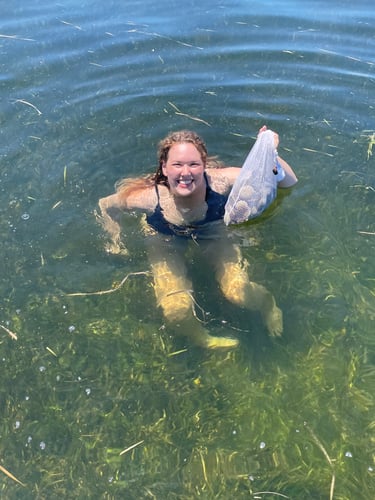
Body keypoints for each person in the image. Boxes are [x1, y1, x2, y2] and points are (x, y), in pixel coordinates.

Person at [98, 126, 298, 349]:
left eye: (193, 164)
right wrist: (113, 236)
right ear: (164, 168)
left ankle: (268, 306)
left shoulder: (221, 181)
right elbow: (106, 205)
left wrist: (270, 153)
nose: (186, 173)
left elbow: (288, 183)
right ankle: (202, 338)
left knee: (239, 293)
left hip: (214, 232)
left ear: (203, 165)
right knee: (175, 308)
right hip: (164, 238)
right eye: (177, 164)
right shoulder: (148, 198)